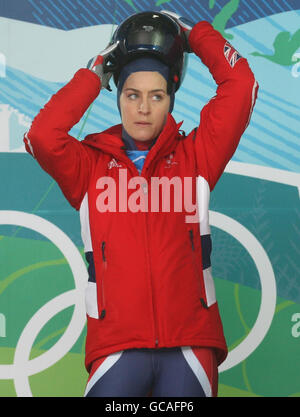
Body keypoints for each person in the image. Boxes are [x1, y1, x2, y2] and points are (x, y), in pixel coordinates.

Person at [23, 11, 258, 397]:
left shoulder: (197, 157)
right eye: (133, 95)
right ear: (118, 98)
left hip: (190, 346)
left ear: (170, 100)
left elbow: (241, 83)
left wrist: (192, 34)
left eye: (157, 95)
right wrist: (93, 75)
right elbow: (42, 136)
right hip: (116, 347)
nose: (144, 108)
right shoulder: (88, 166)